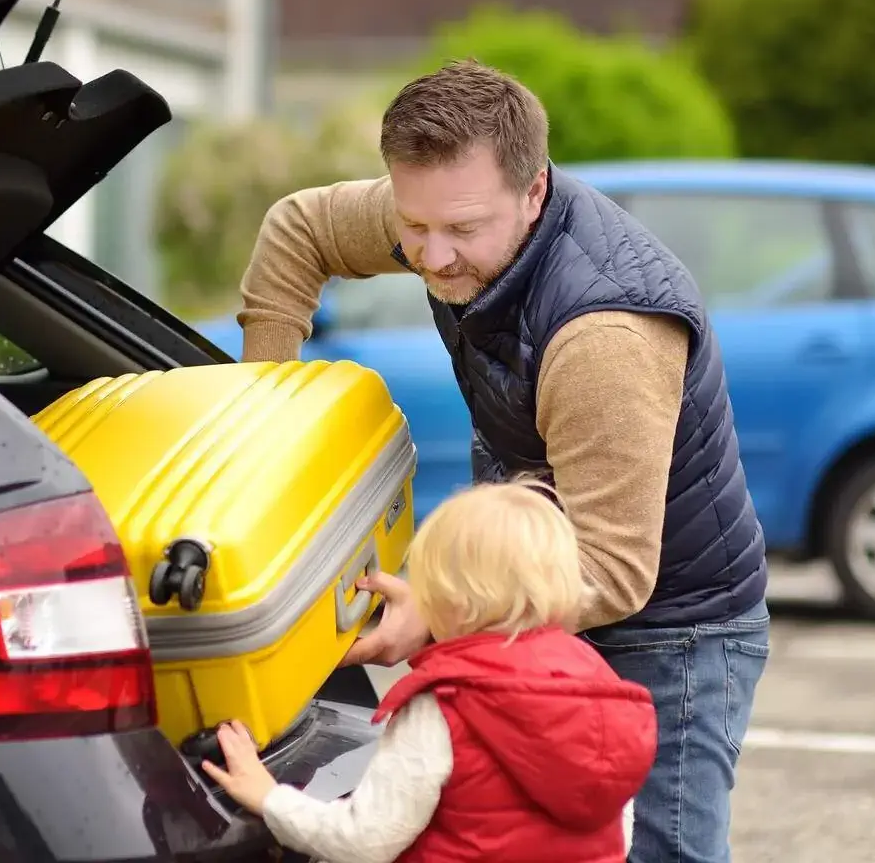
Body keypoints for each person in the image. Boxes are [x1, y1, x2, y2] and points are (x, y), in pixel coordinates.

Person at [235, 60, 771, 863]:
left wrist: (441, 610)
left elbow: (616, 570)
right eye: (413, 228)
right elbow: (296, 229)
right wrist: (266, 432)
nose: (433, 256)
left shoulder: (605, 335)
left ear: (533, 191)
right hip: (524, 598)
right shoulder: (445, 208)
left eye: (461, 231)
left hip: (671, 632)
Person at [200, 477, 656, 863]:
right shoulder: (599, 687)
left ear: (448, 600)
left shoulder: (445, 705)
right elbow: (618, 828)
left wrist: (268, 796)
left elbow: (368, 839)